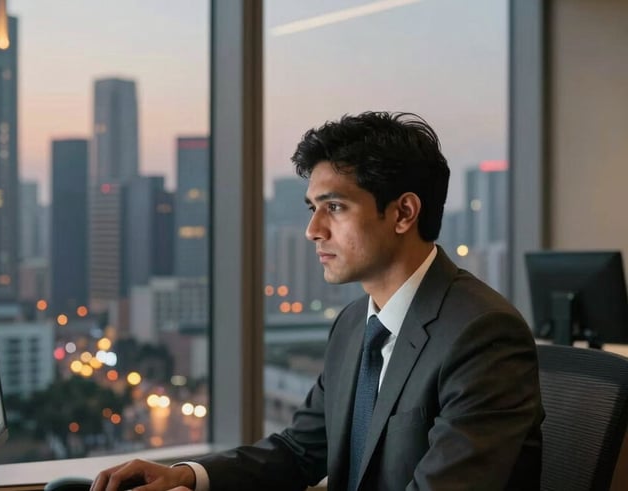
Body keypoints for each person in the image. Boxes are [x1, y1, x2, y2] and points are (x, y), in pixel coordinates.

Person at [90, 112, 544, 491]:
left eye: (336, 207)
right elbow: (301, 449)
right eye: (312, 208)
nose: (314, 230)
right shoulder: (354, 325)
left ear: (404, 213)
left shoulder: (482, 334)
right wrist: (186, 476)